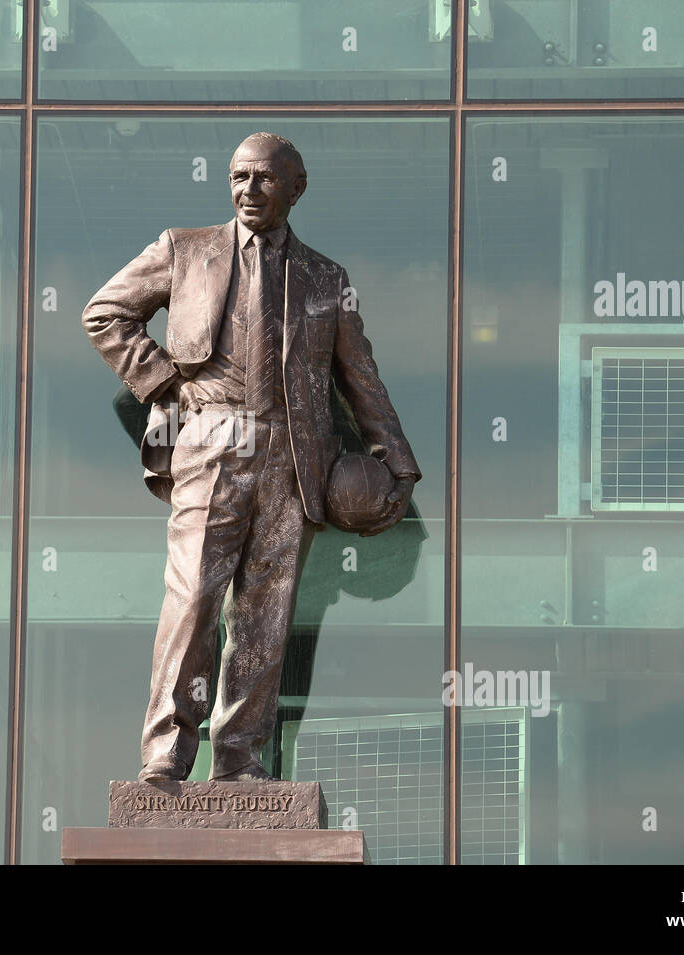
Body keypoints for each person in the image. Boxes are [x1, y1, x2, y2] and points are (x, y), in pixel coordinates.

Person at [83, 132, 419, 782]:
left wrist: (396, 461)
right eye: (239, 177)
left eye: (264, 179)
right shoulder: (184, 250)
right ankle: (165, 755)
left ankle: (239, 761)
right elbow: (106, 314)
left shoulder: (326, 278)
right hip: (212, 440)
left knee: (264, 616)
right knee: (192, 601)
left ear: (296, 188)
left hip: (292, 455)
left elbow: (361, 376)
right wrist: (166, 383)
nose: (248, 190)